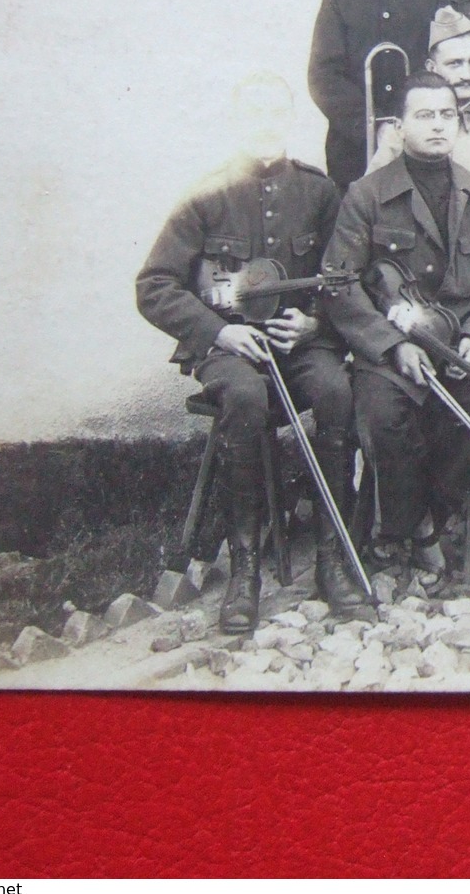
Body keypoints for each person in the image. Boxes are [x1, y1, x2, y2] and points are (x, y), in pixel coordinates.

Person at [136, 74, 361, 634]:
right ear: (236, 121)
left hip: (299, 343)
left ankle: (333, 560)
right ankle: (245, 573)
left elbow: (343, 280)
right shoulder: (204, 197)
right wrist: (218, 333)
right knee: (242, 394)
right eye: (252, 113)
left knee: (336, 390)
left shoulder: (320, 192)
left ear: (289, 119)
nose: (265, 124)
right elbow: (155, 285)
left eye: (274, 113)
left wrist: (313, 322)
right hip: (231, 348)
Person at [321, 73, 470, 561]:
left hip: (466, 343)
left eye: (446, 115)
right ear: (399, 126)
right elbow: (340, 283)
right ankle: (411, 525)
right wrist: (394, 346)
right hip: (394, 347)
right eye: (424, 115)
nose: (437, 125)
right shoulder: (366, 195)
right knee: (384, 416)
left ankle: (428, 515)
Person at [308, 0, 445, 188]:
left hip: (420, 141)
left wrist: (414, 123)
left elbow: (444, 65)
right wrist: (371, 126)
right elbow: (323, 77)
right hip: (354, 151)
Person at [369, 6, 470, 200]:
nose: (466, 75)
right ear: (432, 68)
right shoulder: (400, 131)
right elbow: (370, 201)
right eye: (454, 63)